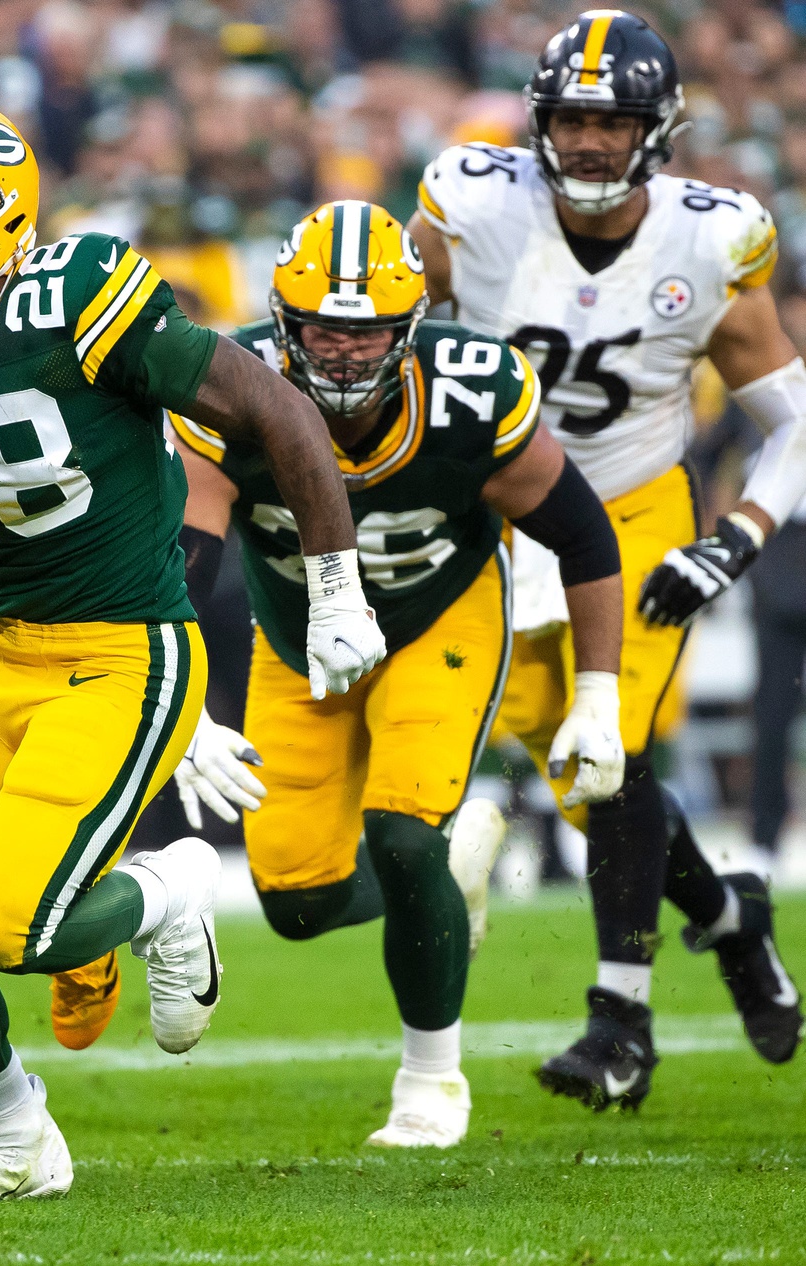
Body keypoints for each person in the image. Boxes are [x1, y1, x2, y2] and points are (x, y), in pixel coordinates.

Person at [0, 99, 384, 1202]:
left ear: (2, 220)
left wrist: (337, 583)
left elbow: (277, 411)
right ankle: (17, 1143)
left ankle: (169, 890)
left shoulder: (77, 297)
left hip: (122, 649)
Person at [409, 10, 804, 1108]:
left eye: (611, 120)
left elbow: (793, 415)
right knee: (590, 784)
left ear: (656, 128)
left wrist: (737, 537)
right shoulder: (471, 203)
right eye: (571, 118)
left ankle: (619, 1023)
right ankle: (731, 917)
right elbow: (395, 328)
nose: (586, 140)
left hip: (634, 509)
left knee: (615, 752)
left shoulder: (711, 238)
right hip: (502, 512)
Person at [170, 200, 625, 1147]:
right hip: (297, 644)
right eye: (324, 328)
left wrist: (598, 691)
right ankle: (457, 871)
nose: (342, 350)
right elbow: (182, 559)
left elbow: (582, 534)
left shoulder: (472, 391)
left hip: (437, 618)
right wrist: (177, 703)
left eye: (366, 327)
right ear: (283, 324)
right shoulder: (224, 388)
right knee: (295, 904)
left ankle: (431, 1080)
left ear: (411, 325)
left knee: (404, 834)